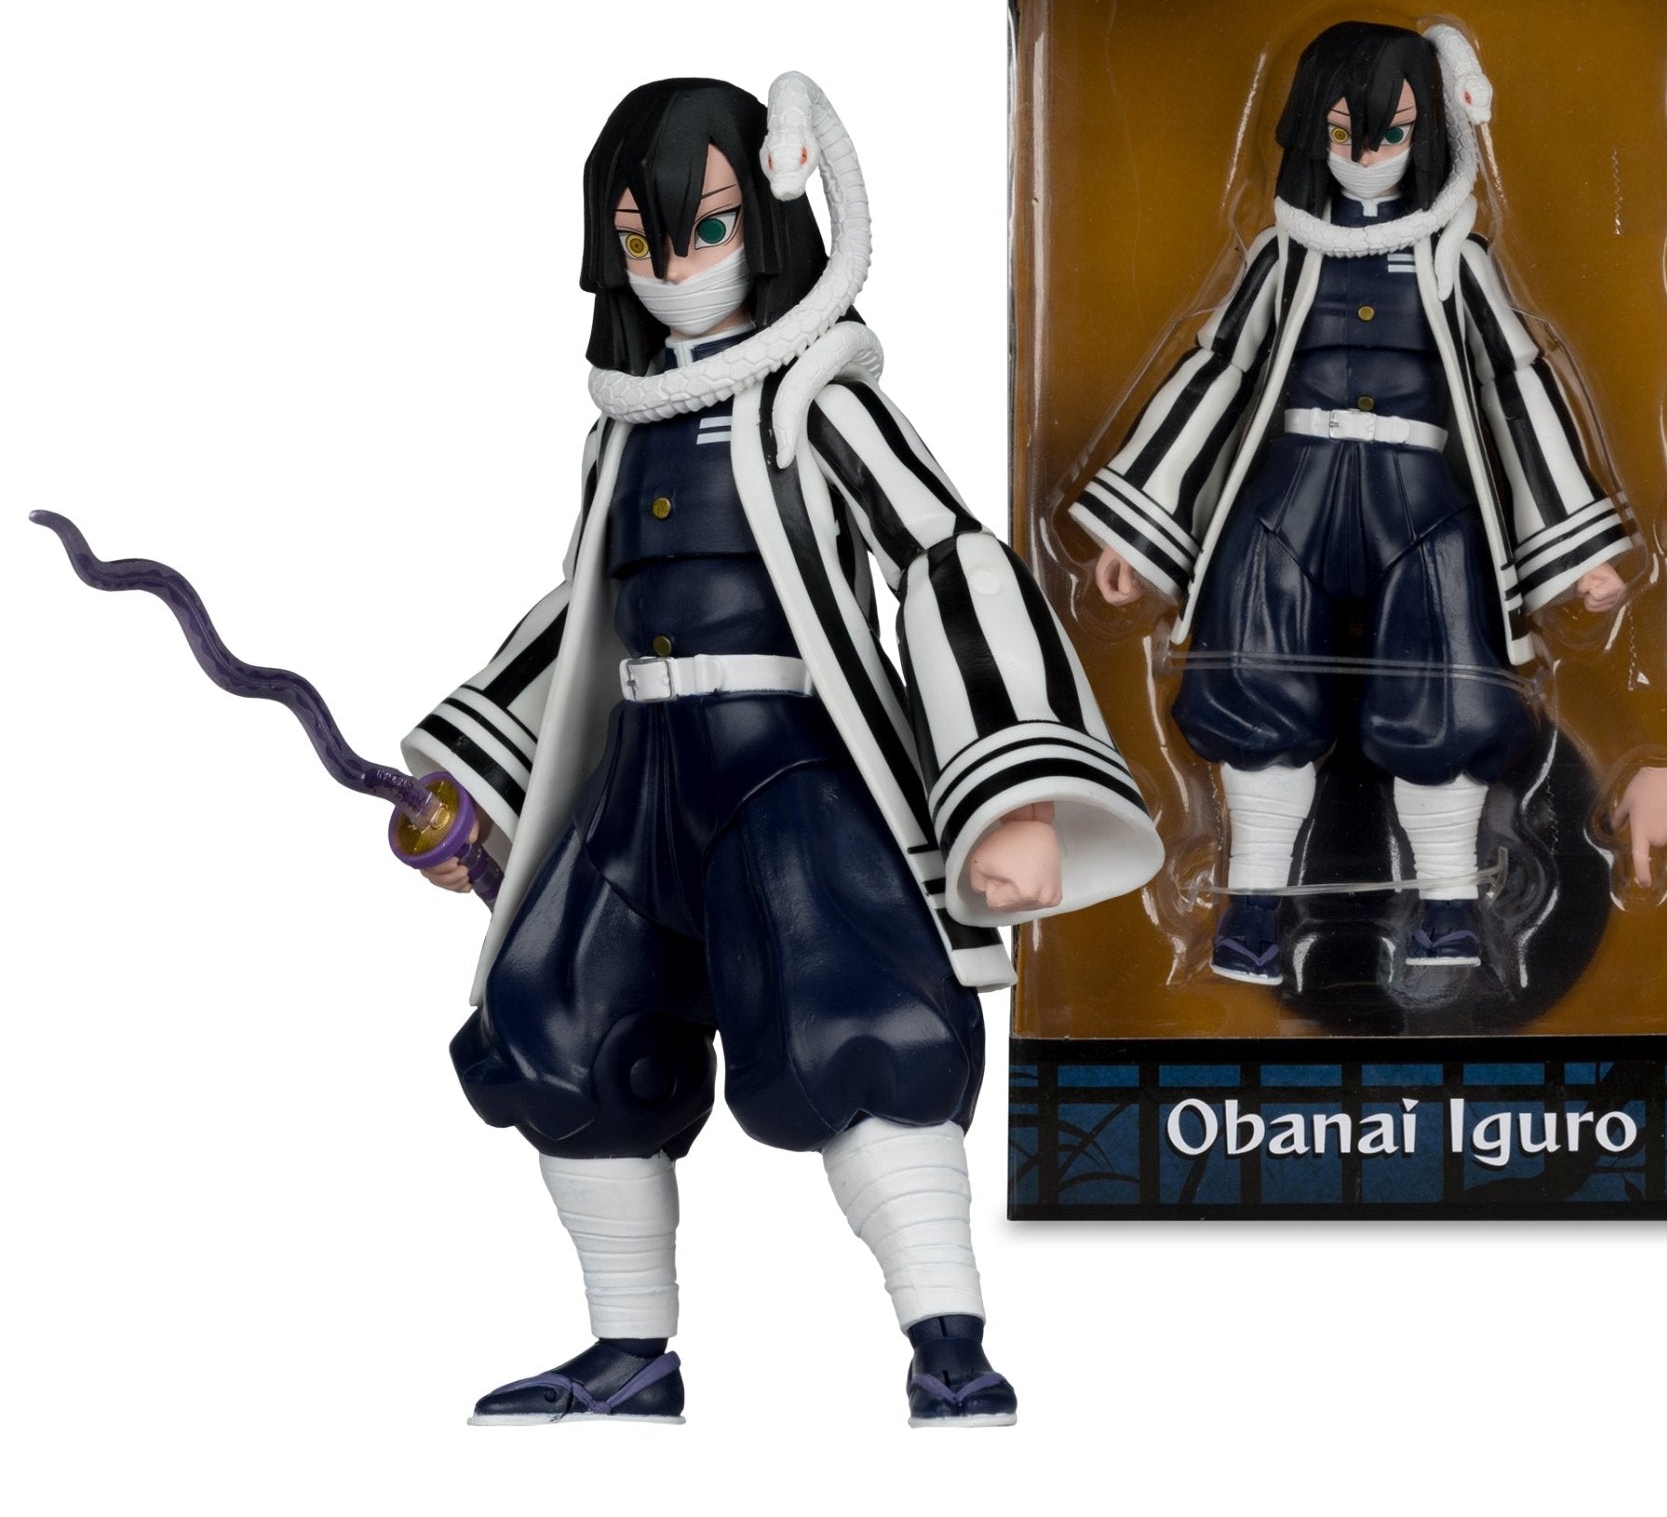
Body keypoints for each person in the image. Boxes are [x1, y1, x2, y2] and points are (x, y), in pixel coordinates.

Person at [408, 72, 1160, 1426]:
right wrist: (471, 770)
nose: (673, 268)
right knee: (560, 1020)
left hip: (788, 769)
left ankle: (947, 1340)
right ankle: (629, 1351)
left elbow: (943, 557)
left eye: (702, 229)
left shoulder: (818, 397)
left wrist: (1012, 789)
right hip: (640, 776)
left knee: (853, 1018)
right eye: (640, 241)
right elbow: (584, 607)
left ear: (766, 219)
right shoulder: (620, 427)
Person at [1071, 21, 1667, 987]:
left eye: (1391, 132)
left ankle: (1448, 907)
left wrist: (1577, 551)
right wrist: (1141, 534)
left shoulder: (1454, 260)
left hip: (1420, 502)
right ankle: (1252, 908)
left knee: (1446, 677)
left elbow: (1515, 386)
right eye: (1343, 133)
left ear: (1429, 130)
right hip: (1290, 493)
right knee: (1255, 668)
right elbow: (1219, 372)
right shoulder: (1285, 256)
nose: (1365, 156)